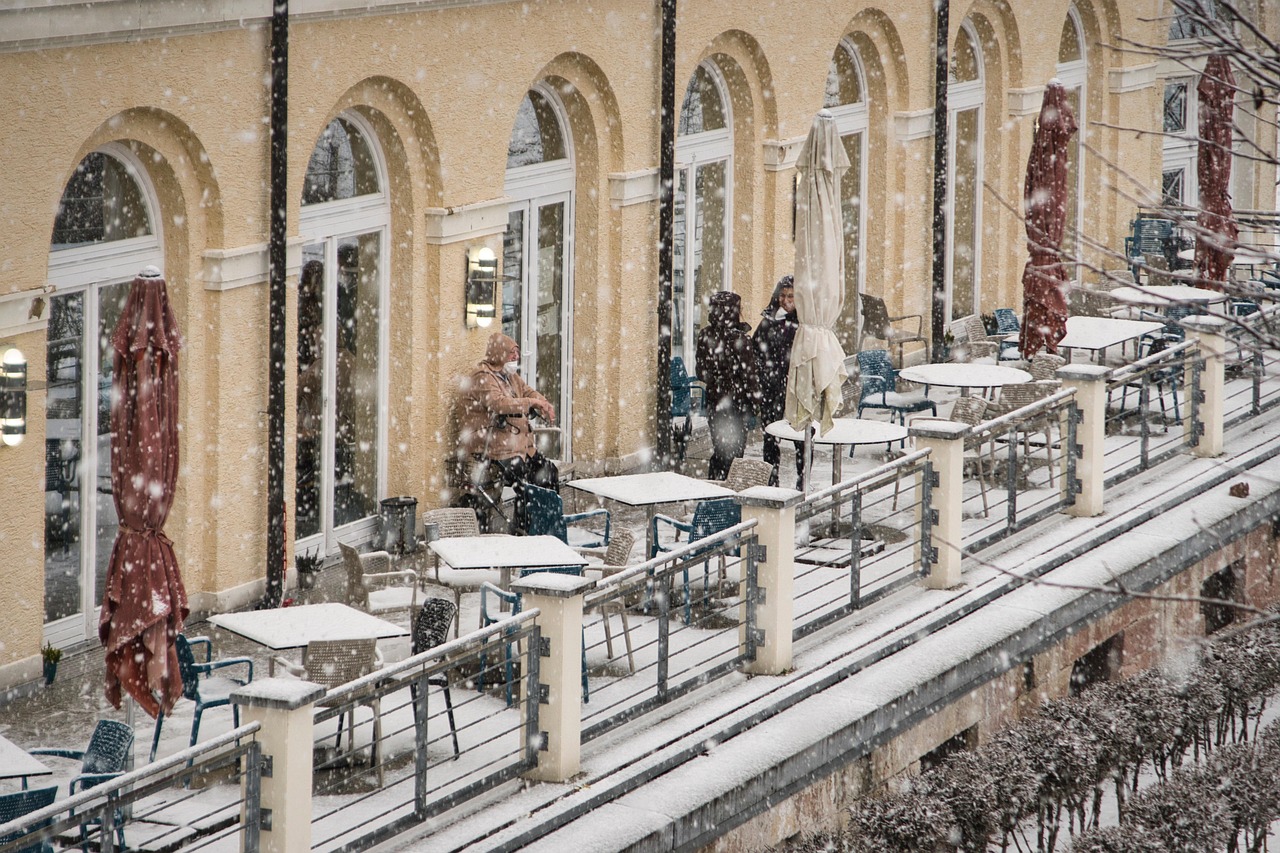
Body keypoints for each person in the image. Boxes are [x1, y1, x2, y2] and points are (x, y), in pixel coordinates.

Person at [455, 332, 558, 532]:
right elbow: (499, 404)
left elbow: (527, 391)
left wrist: (542, 403)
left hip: (516, 446)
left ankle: (545, 525)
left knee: (548, 472)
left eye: (517, 353)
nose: (516, 357)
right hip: (493, 449)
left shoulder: (509, 376)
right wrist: (532, 403)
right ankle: (525, 530)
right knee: (527, 482)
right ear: (499, 353)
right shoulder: (483, 376)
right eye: (511, 353)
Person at [696, 291, 761, 480]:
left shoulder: (705, 335)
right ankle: (728, 494)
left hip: (715, 402)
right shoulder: (740, 339)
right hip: (737, 404)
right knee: (735, 453)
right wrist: (756, 401)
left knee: (720, 448)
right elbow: (750, 376)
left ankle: (713, 488)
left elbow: (701, 372)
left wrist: (716, 381)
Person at [752, 275, 805, 488]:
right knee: (770, 434)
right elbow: (755, 351)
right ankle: (771, 480)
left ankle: (803, 481)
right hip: (771, 387)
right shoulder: (768, 321)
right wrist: (763, 374)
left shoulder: (806, 323)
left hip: (796, 388)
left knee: (800, 436)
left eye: (791, 296)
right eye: (782, 295)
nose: (786, 300)